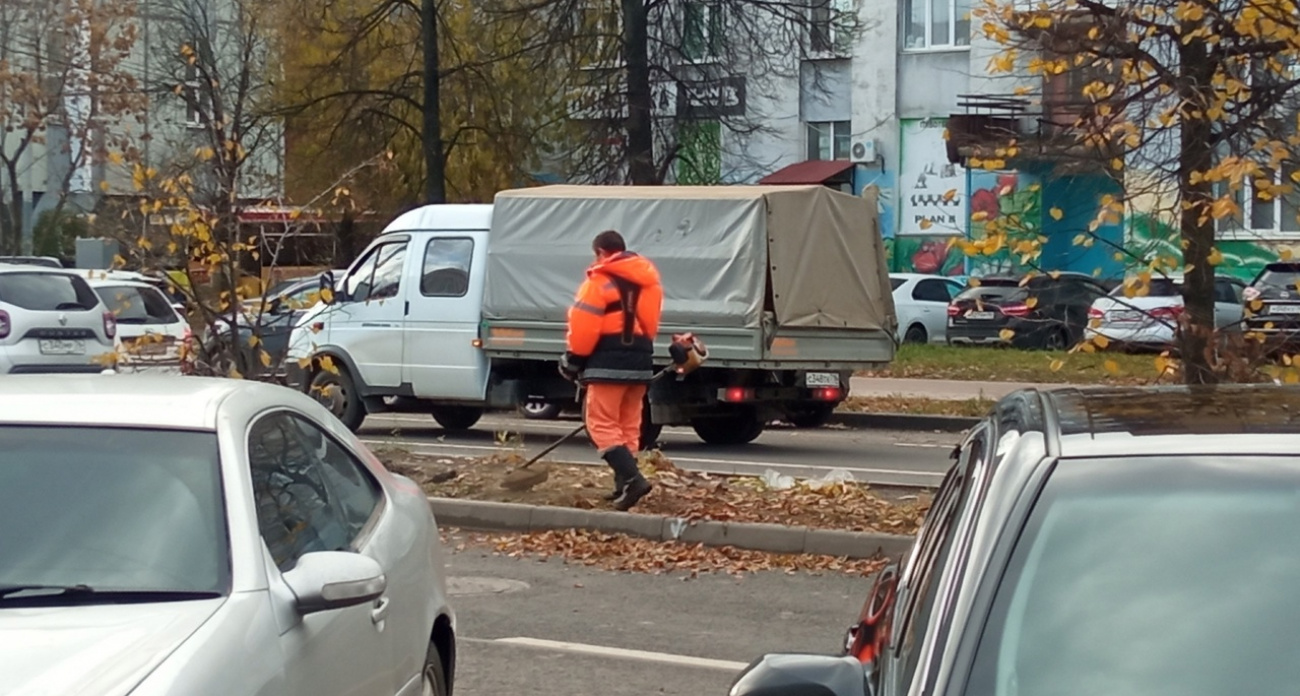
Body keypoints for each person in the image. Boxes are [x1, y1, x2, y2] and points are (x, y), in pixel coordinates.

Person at [559, 229, 663, 511]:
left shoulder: (599, 280)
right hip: (640, 358)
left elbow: (584, 324)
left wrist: (573, 359)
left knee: (601, 424)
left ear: (601, 253)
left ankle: (633, 480)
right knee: (628, 424)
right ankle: (623, 486)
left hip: (607, 360)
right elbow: (651, 325)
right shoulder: (648, 281)